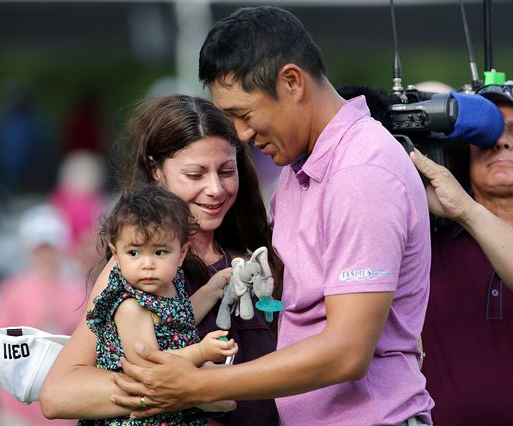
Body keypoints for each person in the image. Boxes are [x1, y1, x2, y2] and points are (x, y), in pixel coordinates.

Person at [107, 6, 434, 426]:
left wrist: (197, 386)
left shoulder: (361, 172)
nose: (242, 135)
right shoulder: (301, 171)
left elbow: (348, 352)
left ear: (292, 82)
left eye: (244, 115)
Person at [40, 94, 280, 426]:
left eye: (227, 171)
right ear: (157, 171)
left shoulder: (260, 256)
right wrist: (184, 391)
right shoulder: (141, 269)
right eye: (195, 175)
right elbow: (59, 393)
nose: (215, 188)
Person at [409, 81, 513, 425]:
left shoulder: (462, 212)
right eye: (485, 133)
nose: (499, 141)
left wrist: (467, 211)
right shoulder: (427, 237)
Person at [81, 184, 238, 426]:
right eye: (134, 253)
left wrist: (211, 290)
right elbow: (151, 367)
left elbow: (179, 320)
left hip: (168, 407)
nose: (147, 264)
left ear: (181, 253)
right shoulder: (129, 306)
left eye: (160, 252)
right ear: (116, 253)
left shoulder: (168, 285)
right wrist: (201, 353)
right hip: (139, 417)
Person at [0, 204, 84, 426]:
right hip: (17, 407)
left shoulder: (77, 289)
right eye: (40, 248)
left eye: (50, 247)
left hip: (65, 402)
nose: (46, 255)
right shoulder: (12, 289)